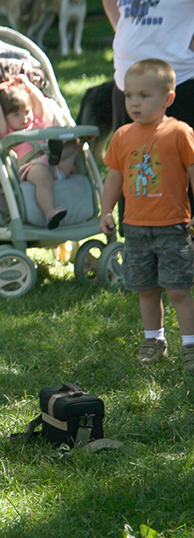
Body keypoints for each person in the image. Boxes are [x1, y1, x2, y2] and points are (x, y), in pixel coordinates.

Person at [99, 59, 194, 373]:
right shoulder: (123, 135)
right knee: (146, 289)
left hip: (172, 227)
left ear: (168, 98)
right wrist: (106, 210)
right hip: (136, 229)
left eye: (143, 96)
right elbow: (114, 178)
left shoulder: (179, 132)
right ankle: (154, 340)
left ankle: (190, 344)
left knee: (178, 290)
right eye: (129, 96)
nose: (134, 102)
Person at [102, 0, 194, 132]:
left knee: (178, 158)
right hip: (127, 86)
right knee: (130, 157)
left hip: (178, 83)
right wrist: (121, 29)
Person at [0, 74, 77, 229]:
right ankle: (50, 212)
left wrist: (28, 85)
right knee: (41, 174)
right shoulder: (7, 131)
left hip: (54, 165)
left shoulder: (36, 122)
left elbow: (40, 102)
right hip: (31, 167)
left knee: (73, 144)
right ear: (7, 117)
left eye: (26, 112)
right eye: (16, 114)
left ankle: (57, 154)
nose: (24, 118)